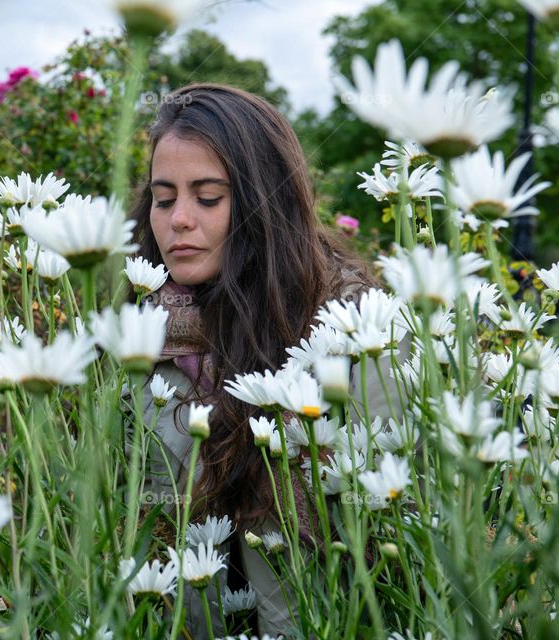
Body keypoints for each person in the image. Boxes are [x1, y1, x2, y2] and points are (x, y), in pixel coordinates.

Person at [122, 83, 400, 637]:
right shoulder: (139, 326)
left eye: (207, 197)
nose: (178, 219)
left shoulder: (351, 327)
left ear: (261, 202)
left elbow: (391, 510)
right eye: (163, 197)